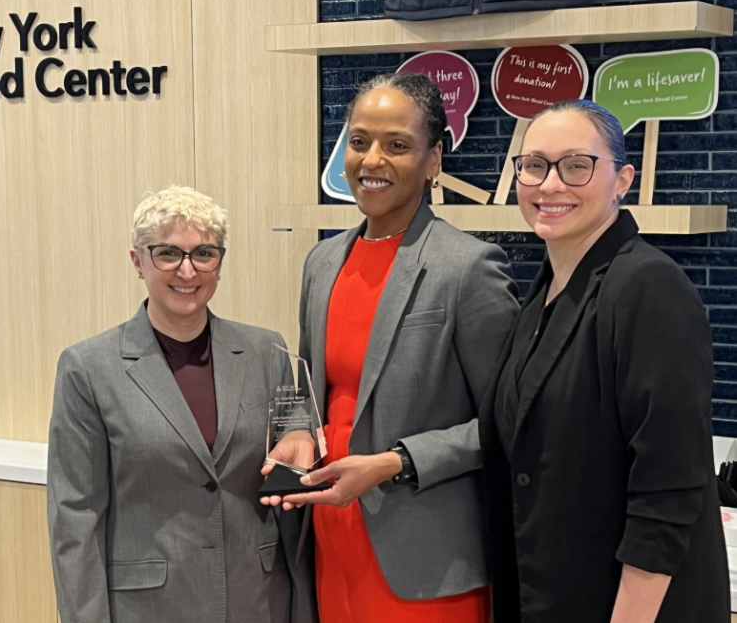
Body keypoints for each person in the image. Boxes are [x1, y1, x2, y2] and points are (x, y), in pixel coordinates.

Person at [262, 72, 520, 622]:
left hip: (425, 563)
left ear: (433, 160)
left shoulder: (469, 268)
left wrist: (395, 462)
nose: (371, 160)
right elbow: (309, 391)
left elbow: (511, 422)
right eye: (359, 142)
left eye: (397, 145)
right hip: (329, 544)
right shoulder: (322, 262)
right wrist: (298, 432)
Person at [479, 100, 730, 623]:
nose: (550, 185)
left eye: (576, 165)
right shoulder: (544, 292)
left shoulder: (649, 287)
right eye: (534, 165)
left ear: (623, 179)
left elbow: (669, 489)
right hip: (552, 593)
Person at [48, 185, 318, 623]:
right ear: (138, 261)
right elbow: (75, 518)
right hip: (148, 608)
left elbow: (292, 472)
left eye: (203, 254)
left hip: (259, 601)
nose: (187, 271)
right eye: (168, 254)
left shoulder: (268, 352)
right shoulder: (88, 368)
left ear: (220, 263)